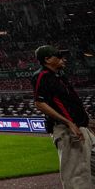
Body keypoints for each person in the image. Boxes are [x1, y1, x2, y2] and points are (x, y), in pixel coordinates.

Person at [31, 45, 94, 188]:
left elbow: (71, 103)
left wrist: (88, 122)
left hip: (82, 127)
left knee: (91, 171)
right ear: (47, 59)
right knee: (76, 177)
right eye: (58, 56)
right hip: (67, 130)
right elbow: (40, 103)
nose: (63, 59)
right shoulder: (42, 75)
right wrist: (69, 123)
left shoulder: (60, 75)